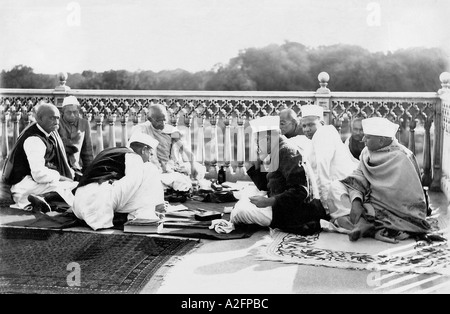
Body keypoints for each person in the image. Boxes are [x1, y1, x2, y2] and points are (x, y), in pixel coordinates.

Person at [327, 117, 431, 243]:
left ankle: (365, 226)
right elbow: (359, 176)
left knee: (347, 212)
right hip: (368, 200)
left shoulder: (402, 158)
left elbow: (403, 199)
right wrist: (356, 200)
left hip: (390, 211)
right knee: (335, 187)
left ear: (381, 140)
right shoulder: (367, 151)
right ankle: (362, 224)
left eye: (368, 137)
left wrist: (367, 203)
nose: (363, 139)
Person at [230, 116, 327, 235]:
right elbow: (267, 186)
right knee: (246, 197)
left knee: (238, 212)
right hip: (288, 207)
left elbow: (301, 191)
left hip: (298, 214)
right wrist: (253, 165)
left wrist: (269, 201)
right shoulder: (278, 149)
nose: (257, 145)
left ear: (268, 138)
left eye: (257, 141)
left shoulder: (286, 151)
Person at [72, 132, 166, 230]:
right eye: (150, 154)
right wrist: (149, 205)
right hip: (99, 206)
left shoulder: (111, 151)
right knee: (150, 169)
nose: (149, 159)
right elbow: (132, 182)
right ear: (144, 150)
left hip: (79, 205)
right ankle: (143, 214)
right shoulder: (134, 156)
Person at [3, 101, 78, 212]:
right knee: (71, 187)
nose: (56, 122)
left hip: (33, 180)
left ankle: (43, 200)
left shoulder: (47, 134)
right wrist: (60, 177)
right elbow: (38, 175)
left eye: (57, 118)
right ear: (39, 119)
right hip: (24, 184)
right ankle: (39, 200)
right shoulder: (34, 139)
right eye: (52, 118)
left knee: (70, 187)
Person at [130, 103, 205, 192]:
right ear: (149, 119)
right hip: (154, 169)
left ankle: (172, 185)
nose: (163, 123)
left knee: (200, 169)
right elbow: (133, 151)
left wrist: (192, 165)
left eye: (164, 120)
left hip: (171, 167)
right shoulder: (142, 130)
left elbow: (186, 151)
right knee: (152, 180)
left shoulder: (171, 131)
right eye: (158, 120)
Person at [300, 105, 358, 212]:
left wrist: (325, 206)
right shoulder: (320, 136)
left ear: (322, 123)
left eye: (311, 125)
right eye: (304, 126)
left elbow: (323, 171)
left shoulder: (323, 134)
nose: (306, 129)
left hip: (340, 189)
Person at [58, 95, 94, 178]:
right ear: (63, 112)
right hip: (61, 168)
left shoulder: (84, 123)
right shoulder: (57, 123)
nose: (72, 115)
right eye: (68, 112)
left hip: (77, 168)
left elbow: (87, 150)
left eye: (75, 112)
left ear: (78, 112)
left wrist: (90, 172)